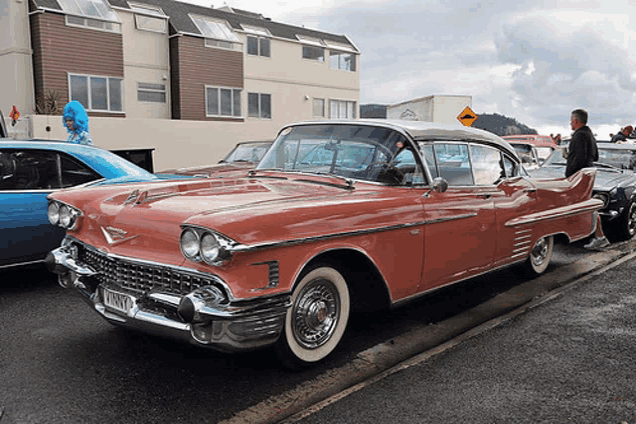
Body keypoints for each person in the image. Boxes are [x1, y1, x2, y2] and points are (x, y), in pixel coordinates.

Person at [566, 109, 609, 250]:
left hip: (578, 177)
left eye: (571, 120)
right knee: (588, 206)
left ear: (576, 121)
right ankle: (596, 236)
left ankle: (599, 237)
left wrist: (570, 175)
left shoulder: (579, 136)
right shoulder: (589, 134)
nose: (570, 123)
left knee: (582, 207)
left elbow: (579, 159)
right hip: (588, 175)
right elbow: (595, 156)